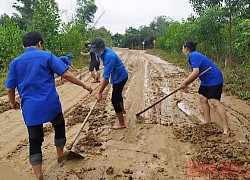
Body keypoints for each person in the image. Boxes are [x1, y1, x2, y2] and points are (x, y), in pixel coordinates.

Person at [5, 31, 93, 180]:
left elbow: (9, 87)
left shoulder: (15, 62)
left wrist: (13, 102)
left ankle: (38, 174)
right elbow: (65, 75)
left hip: (30, 109)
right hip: (50, 104)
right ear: (39, 43)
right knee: (59, 125)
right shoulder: (47, 56)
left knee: (34, 139)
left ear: (23, 46)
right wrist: (84, 85)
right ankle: (60, 154)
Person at [180, 40, 229, 135]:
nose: (182, 50)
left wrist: (184, 83)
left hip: (214, 79)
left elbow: (195, 72)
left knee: (214, 102)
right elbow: (196, 74)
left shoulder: (194, 55)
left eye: (182, 48)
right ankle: (208, 122)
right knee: (202, 98)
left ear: (186, 48)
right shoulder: (193, 56)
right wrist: (186, 84)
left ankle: (226, 129)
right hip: (206, 80)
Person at [90, 38, 128, 129]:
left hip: (120, 77)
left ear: (102, 47)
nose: (96, 52)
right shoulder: (104, 52)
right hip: (118, 76)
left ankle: (122, 123)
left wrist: (99, 93)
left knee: (114, 99)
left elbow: (106, 79)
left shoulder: (109, 56)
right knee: (117, 94)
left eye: (97, 50)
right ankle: (122, 110)